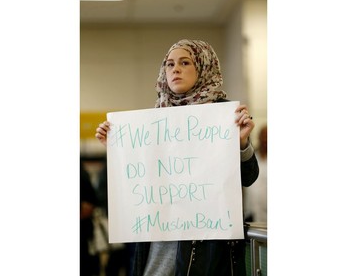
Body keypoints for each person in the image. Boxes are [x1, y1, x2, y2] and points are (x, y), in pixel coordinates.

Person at [95, 39, 259, 276]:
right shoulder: (153, 120)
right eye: (170, 64)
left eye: (185, 62)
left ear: (203, 67)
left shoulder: (224, 116)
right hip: (156, 248)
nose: (175, 69)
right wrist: (116, 148)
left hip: (205, 251)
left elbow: (249, 176)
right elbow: (138, 182)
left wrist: (241, 142)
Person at [243, 125, 267, 223]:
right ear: (259, 137)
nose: (265, 140)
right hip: (249, 213)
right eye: (263, 136)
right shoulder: (249, 159)